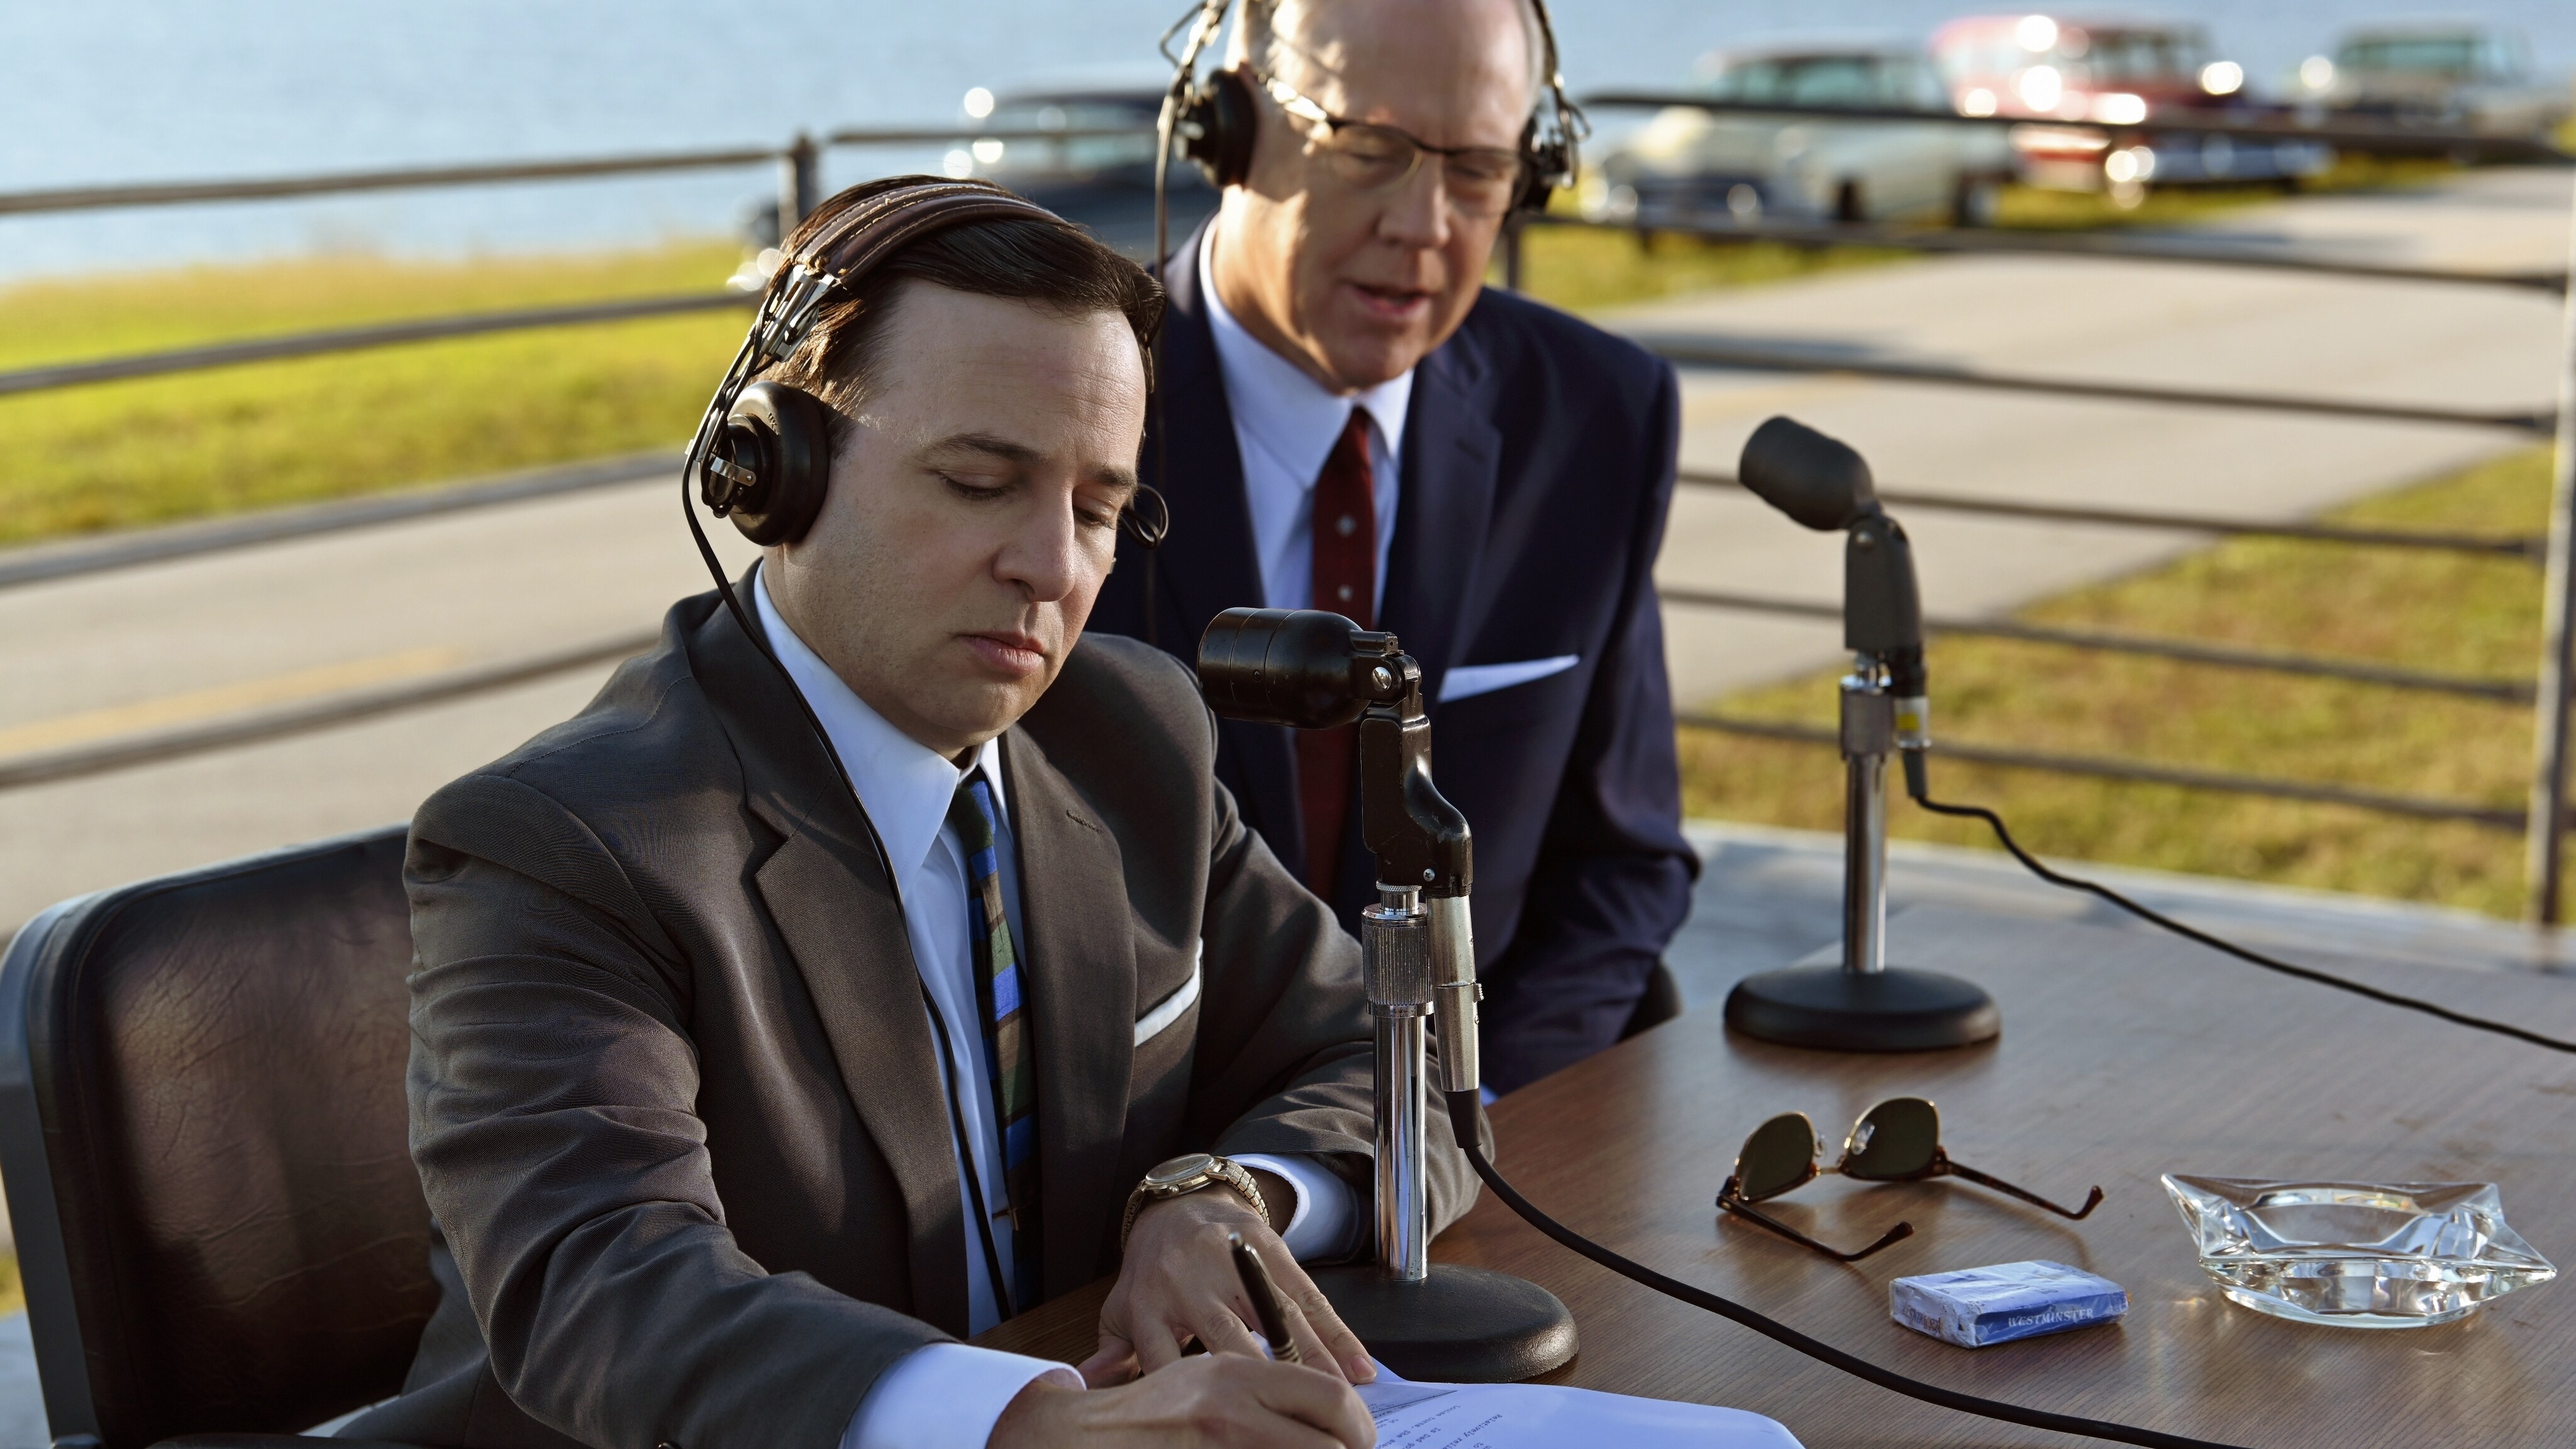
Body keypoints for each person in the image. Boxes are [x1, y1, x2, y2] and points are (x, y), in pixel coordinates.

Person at [344, 177, 1479, 1449]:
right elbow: (604, 1291)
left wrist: (1220, 1199)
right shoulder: (559, 846)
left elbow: (1398, 1066)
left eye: (1096, 509)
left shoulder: (1134, 735)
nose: (1051, 568)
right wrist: (1021, 1427)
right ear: (774, 472)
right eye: (981, 482)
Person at [1089, 0, 1698, 1094]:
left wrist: (1469, 1135)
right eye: (1371, 150)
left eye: (1477, 170)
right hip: (1129, 1192)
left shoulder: (1603, 413)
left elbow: (1620, 865)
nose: (1425, 225)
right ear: (1224, 127)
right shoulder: (1061, 414)